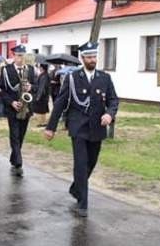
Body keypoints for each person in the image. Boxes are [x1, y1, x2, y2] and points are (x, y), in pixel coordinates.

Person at [44, 41, 119, 217]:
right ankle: (83, 204)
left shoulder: (104, 78)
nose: (93, 60)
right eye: (89, 57)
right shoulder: (72, 78)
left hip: (97, 128)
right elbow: (60, 103)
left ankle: (75, 187)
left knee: (91, 163)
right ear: (83, 58)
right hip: (78, 127)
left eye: (95, 56)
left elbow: (113, 100)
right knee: (80, 164)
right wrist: (51, 127)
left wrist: (109, 114)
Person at [0, 44, 37, 177]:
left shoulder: (30, 69)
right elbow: (1, 90)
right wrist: (11, 102)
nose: (21, 58)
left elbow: (37, 87)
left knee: (21, 134)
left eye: (23, 55)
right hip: (13, 107)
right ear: (13, 56)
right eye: (19, 56)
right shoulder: (6, 70)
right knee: (14, 133)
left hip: (26, 107)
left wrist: (31, 87)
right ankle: (19, 160)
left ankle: (14, 156)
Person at [32, 60, 51, 127]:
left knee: (41, 110)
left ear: (42, 68)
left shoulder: (44, 76)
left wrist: (38, 96)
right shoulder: (44, 75)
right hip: (44, 95)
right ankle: (42, 122)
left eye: (40, 67)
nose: (39, 68)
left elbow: (42, 87)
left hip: (42, 95)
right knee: (42, 110)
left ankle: (42, 122)